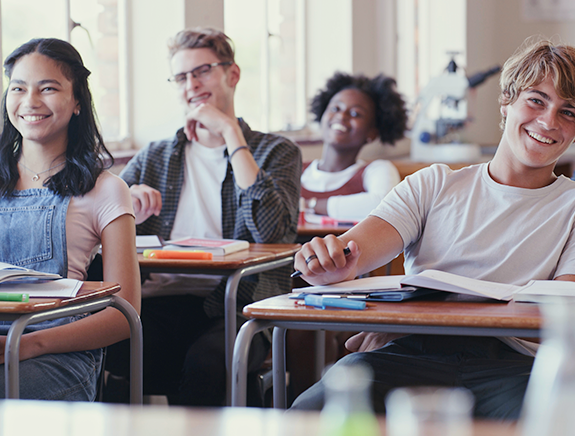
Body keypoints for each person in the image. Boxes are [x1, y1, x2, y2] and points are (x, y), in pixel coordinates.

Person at [289, 39, 575, 419]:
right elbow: (353, 254)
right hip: (410, 355)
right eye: (536, 100)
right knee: (311, 412)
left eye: (569, 112)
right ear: (507, 100)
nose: (549, 122)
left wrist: (416, 317)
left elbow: (562, 319)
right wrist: (326, 261)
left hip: (515, 370)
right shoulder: (432, 184)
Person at [105, 27, 301, 406]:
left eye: (203, 71)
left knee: (208, 364)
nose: (192, 84)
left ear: (233, 75)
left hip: (234, 304)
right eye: (181, 77)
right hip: (157, 302)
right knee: (100, 352)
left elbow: (272, 230)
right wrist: (128, 198)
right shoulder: (156, 155)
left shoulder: (276, 151)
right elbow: (100, 219)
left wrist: (230, 132)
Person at [0, 38, 140, 400]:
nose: (30, 101)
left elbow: (125, 314)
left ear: (77, 101)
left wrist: (27, 345)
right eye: (18, 88)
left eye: (48, 88)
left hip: (58, 355)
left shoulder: (106, 189)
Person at [301, 72, 407, 220]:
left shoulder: (376, 171)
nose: (342, 115)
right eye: (335, 108)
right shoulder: (294, 170)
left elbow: (384, 204)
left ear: (372, 133)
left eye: (355, 113)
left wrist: (308, 205)